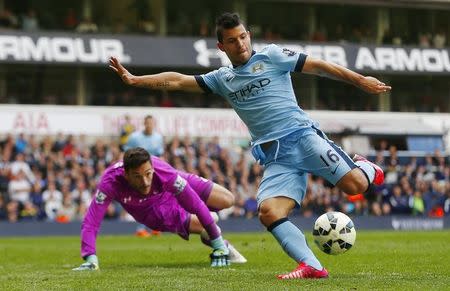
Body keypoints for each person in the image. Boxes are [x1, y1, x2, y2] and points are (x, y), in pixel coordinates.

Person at [108, 12, 391, 279]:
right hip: (274, 156)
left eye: (243, 37)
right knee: (269, 212)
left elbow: (319, 66)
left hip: (302, 137)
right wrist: (135, 79)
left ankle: (366, 167)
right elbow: (178, 81)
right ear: (222, 46)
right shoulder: (222, 79)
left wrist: (359, 80)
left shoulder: (272, 55)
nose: (240, 43)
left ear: (249, 35)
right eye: (232, 40)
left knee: (355, 186)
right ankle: (312, 266)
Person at [73, 147, 246, 271]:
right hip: (152, 209)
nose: (145, 182)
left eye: (148, 174)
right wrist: (90, 258)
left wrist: (215, 240)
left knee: (227, 199)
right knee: (206, 224)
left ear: (152, 169)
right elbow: (92, 221)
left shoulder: (163, 171)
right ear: (126, 175)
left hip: (168, 181)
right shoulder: (110, 182)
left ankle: (213, 231)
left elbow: (195, 203)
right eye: (137, 177)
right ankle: (223, 242)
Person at [124, 114, 164, 237]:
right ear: (144, 124)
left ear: (154, 124)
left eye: (151, 123)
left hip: (153, 172)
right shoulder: (135, 137)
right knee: (142, 199)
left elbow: (160, 155)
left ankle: (155, 227)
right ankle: (140, 228)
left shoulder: (158, 138)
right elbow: (126, 153)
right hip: (138, 174)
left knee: (156, 199)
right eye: (147, 123)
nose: (149, 125)